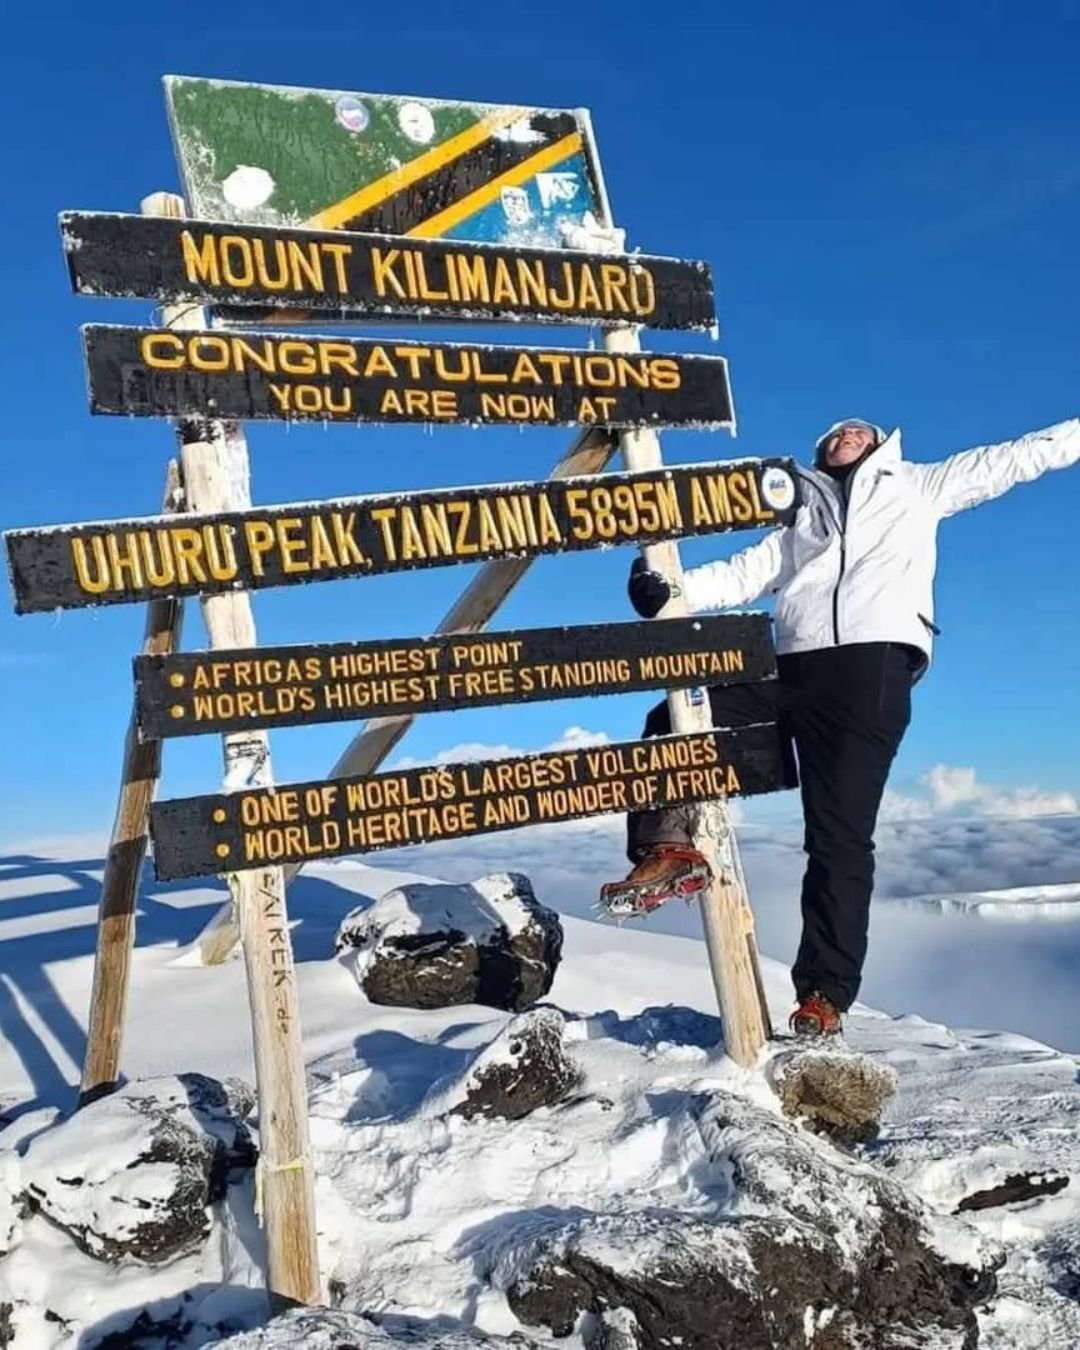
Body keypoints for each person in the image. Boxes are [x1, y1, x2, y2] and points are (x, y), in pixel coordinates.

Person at [600, 416, 1080, 1037]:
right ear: (821, 451)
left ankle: (823, 997)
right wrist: (669, 589)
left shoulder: (919, 486)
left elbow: (1019, 455)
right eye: (834, 433)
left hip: (869, 669)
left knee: (837, 838)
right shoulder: (801, 513)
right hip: (789, 666)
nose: (844, 433)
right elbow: (745, 572)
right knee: (673, 717)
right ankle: (668, 850)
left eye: (858, 430)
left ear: (880, 443)